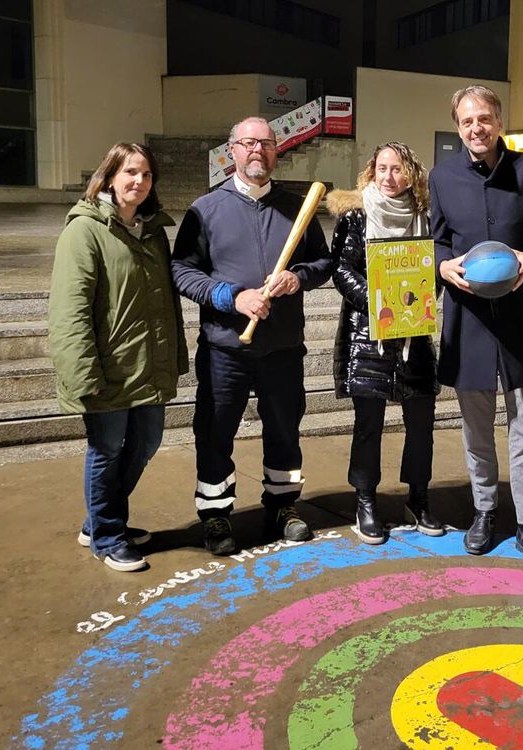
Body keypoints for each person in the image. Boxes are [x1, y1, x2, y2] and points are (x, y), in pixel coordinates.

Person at [171, 116, 333, 556]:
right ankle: (216, 512)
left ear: (276, 150)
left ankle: (283, 506)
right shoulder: (206, 209)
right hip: (226, 347)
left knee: (284, 429)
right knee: (216, 431)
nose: (257, 150)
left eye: (265, 143)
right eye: (248, 143)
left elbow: (323, 262)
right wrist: (230, 297)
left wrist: (298, 278)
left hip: (282, 347)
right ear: (232, 152)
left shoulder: (297, 208)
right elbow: (182, 271)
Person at [430, 85, 523, 573]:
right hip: (468, 321)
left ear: (499, 120)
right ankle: (485, 512)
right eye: (467, 122)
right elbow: (438, 240)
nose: (476, 129)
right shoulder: (442, 177)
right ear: (458, 125)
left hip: (522, 317)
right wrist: (443, 268)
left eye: (484, 119)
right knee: (475, 429)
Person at [48, 142, 187, 572]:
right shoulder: (84, 231)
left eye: (146, 175)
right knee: (106, 449)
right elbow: (69, 310)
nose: (138, 182)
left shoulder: (152, 231)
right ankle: (108, 536)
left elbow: (166, 304)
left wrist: (173, 356)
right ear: (109, 176)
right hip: (106, 369)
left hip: (148, 365)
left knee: (146, 443)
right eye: (130, 173)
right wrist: (82, 373)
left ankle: (97, 521)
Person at [326, 142, 444, 544]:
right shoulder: (356, 214)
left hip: (413, 334)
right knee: (368, 426)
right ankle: (365, 501)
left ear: (411, 174)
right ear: (371, 172)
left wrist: (426, 296)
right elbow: (340, 269)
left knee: (421, 425)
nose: (389, 177)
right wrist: (376, 302)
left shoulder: (425, 216)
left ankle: (419, 497)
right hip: (368, 336)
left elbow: (435, 271)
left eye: (397, 169)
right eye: (382, 168)